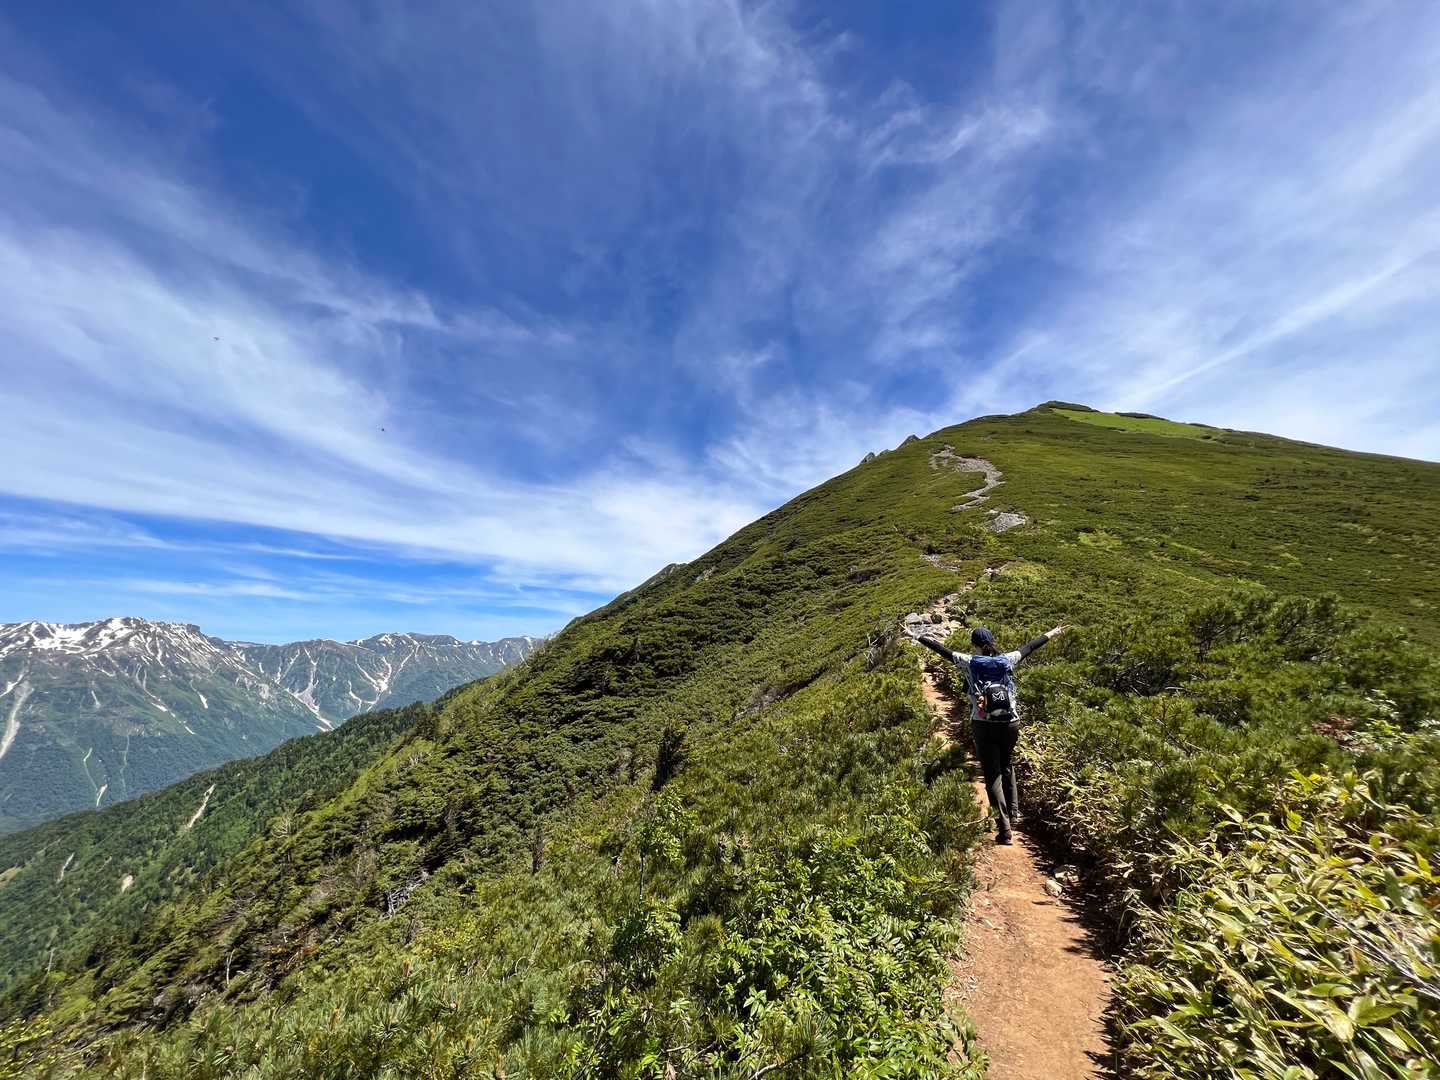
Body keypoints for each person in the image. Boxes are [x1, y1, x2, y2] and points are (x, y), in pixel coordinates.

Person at [914, 623, 1069, 844]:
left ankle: (1004, 829)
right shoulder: (1007, 659)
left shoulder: (969, 661)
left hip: (983, 723)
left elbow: (941, 650)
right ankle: (1013, 814)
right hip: (1010, 723)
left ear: (974, 644)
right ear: (991, 642)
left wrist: (916, 636)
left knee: (992, 776)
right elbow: (1030, 647)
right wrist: (1052, 633)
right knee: (1007, 765)